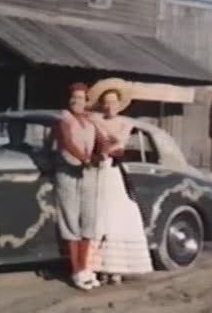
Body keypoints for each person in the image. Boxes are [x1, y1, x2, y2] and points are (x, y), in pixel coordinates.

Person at [87, 78, 153, 285]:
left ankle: (117, 268)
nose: (110, 106)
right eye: (106, 102)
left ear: (119, 103)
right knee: (99, 218)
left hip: (114, 173)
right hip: (98, 172)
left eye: (113, 102)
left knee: (118, 217)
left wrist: (107, 142)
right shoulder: (94, 119)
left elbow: (118, 147)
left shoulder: (126, 123)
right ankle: (98, 267)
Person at [54, 83, 101, 290]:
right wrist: (83, 158)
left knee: (89, 220)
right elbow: (66, 143)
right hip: (68, 173)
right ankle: (76, 270)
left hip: (89, 174)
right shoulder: (63, 119)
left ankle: (86, 268)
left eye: (81, 98)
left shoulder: (91, 121)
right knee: (70, 221)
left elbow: (102, 141)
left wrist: (108, 149)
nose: (76, 102)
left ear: (86, 101)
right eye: (73, 98)